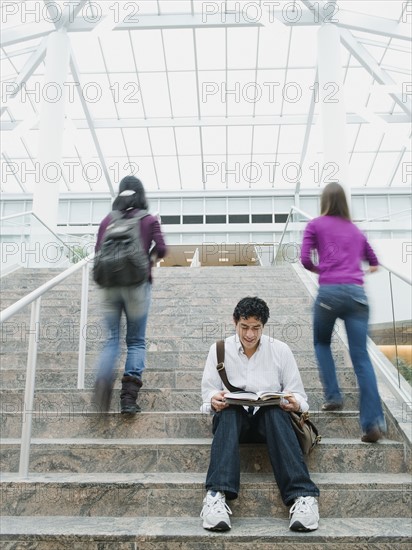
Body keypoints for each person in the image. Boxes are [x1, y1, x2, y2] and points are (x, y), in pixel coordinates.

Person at [200, 296, 320, 532]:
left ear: (263, 326)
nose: (250, 334)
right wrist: (213, 401)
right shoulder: (219, 350)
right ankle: (216, 496)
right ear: (235, 322)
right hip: (234, 425)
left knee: (275, 411)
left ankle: (303, 497)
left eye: (256, 328)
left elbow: (301, 398)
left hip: (272, 426)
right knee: (230, 411)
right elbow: (207, 397)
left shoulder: (280, 350)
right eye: (244, 327)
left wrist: (293, 403)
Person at [300, 181, 386, 443]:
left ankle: (334, 396)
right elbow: (374, 263)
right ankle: (372, 422)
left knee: (322, 342)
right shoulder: (356, 231)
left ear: (324, 201)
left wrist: (323, 270)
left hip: (329, 293)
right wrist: (357, 271)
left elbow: (305, 259)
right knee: (361, 358)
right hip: (357, 296)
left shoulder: (315, 224)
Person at [93, 175, 167, 414]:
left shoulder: (107, 221)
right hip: (137, 285)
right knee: (135, 342)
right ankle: (128, 399)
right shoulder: (148, 220)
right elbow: (162, 248)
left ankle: (103, 382)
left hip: (109, 286)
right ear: (141, 195)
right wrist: (149, 260)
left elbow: (97, 252)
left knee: (111, 340)